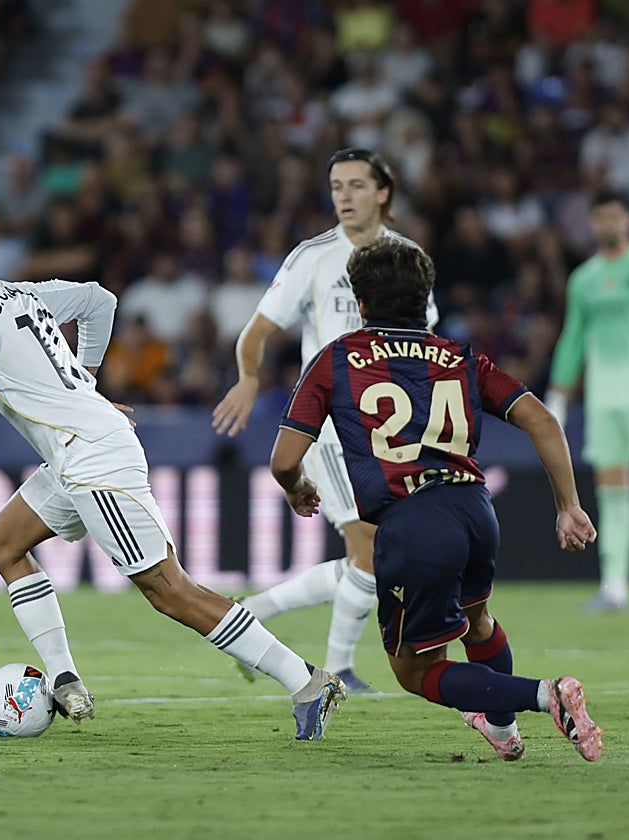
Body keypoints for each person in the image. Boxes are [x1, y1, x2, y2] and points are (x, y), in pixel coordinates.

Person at [0, 206, 347, 740]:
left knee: (170, 590)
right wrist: (86, 384)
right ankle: (64, 678)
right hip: (76, 453)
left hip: (92, 457)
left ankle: (306, 681)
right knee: (3, 542)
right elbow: (98, 300)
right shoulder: (18, 293)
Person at [271, 238, 603, 763]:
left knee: (414, 670)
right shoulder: (462, 357)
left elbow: (284, 460)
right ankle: (503, 730)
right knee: (478, 621)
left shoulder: (336, 359)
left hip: (412, 523)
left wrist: (297, 488)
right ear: (426, 299)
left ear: (361, 303)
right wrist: (568, 505)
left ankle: (547, 695)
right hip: (475, 510)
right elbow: (541, 419)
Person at [213, 148, 436, 691]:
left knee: (379, 554)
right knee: (370, 549)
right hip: (333, 426)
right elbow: (257, 331)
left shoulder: (407, 257)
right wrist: (248, 378)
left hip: (389, 429)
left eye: (356, 184)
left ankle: (252, 615)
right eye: (337, 186)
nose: (344, 195)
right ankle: (338, 669)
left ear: (383, 192)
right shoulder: (312, 257)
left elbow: (423, 339)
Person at [545, 191, 629, 612]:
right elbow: (573, 337)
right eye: (600, 217)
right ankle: (615, 587)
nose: (608, 224)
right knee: (611, 492)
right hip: (604, 402)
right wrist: (558, 393)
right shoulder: (584, 278)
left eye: (615, 216)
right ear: (592, 222)